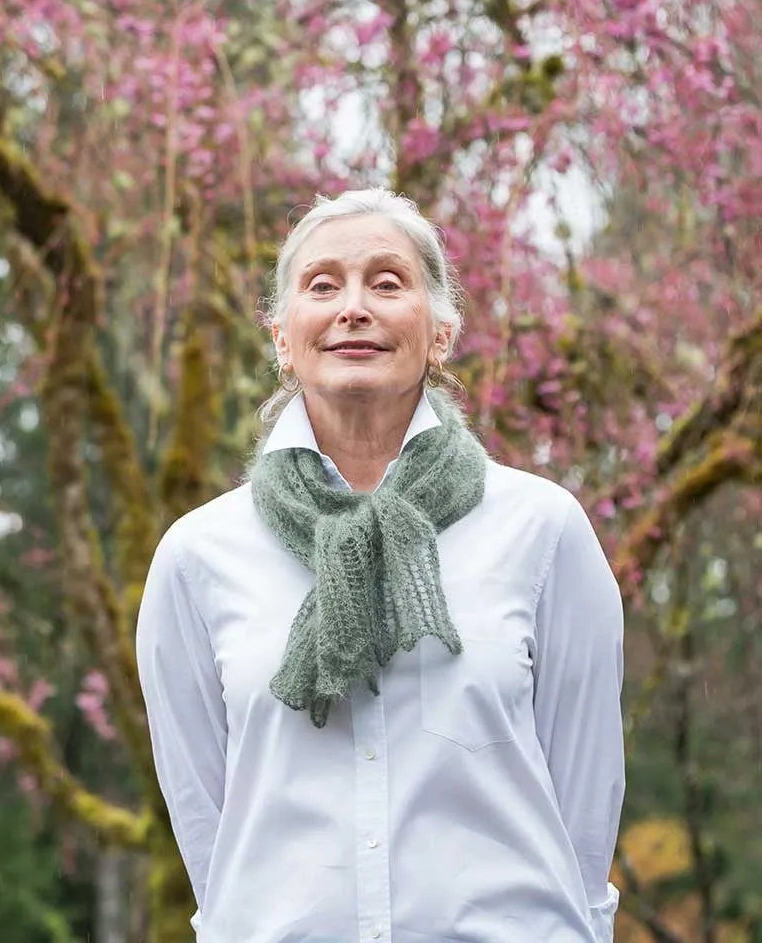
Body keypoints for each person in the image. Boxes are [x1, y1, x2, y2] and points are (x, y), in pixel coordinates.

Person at [136, 188, 625, 943]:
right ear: (282, 338)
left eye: (388, 283)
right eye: (322, 285)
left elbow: (588, 797)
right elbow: (207, 820)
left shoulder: (542, 529)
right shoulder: (198, 558)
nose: (353, 307)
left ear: (440, 333)